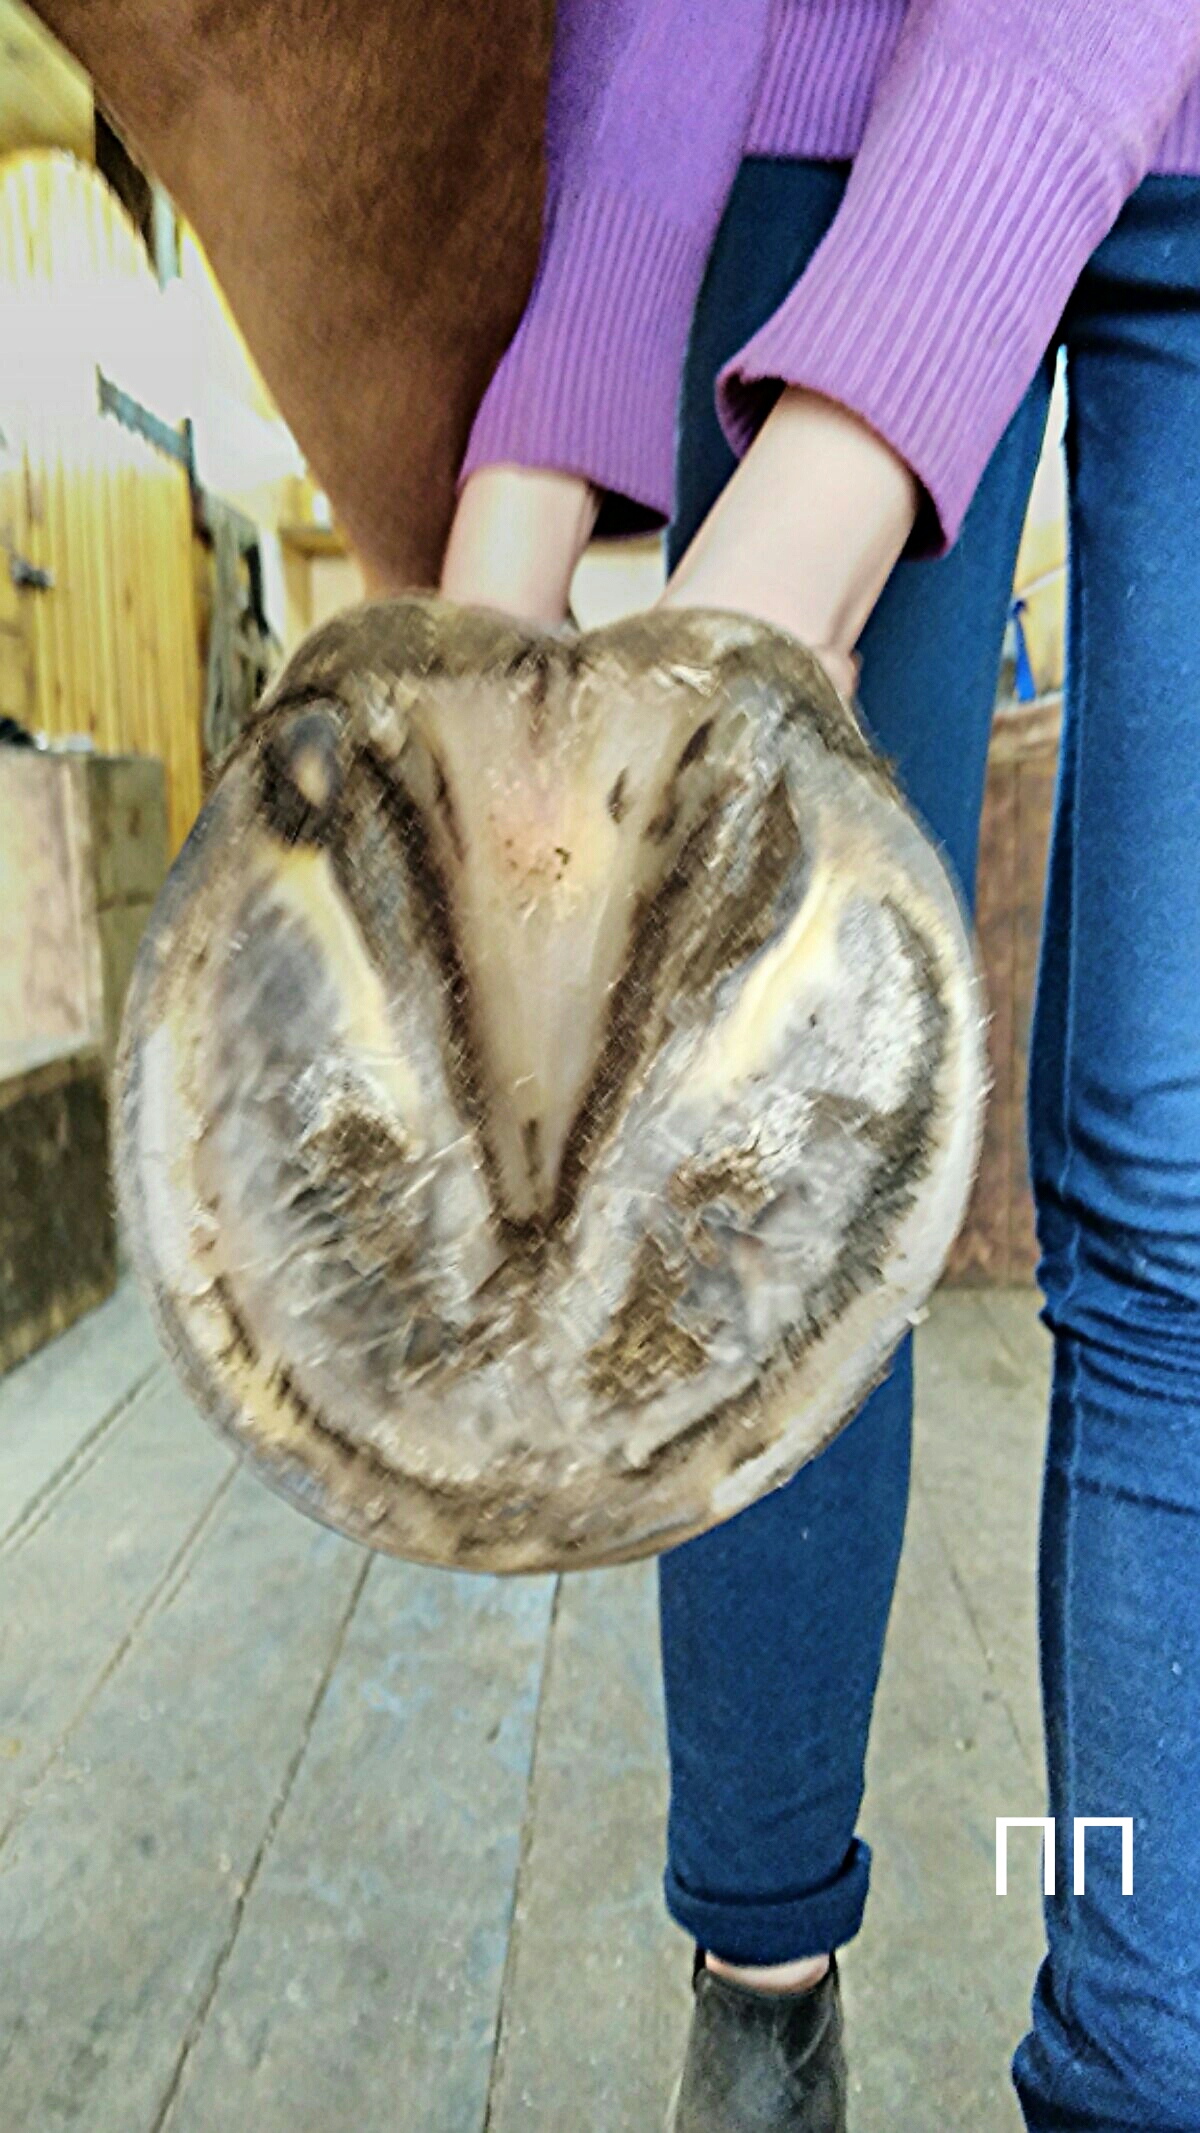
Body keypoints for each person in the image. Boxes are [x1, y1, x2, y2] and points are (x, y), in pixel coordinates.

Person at [439, 4, 1200, 2127]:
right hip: (821, 93)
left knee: (1180, 1183)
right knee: (763, 1153)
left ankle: (1144, 2057)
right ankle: (763, 1995)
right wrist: (529, 477)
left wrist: (835, 469)